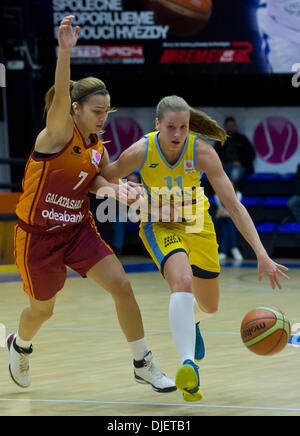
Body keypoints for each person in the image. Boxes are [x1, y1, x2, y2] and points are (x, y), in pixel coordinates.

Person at [6, 15, 176, 394]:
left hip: (77, 229)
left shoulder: (97, 148)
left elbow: (93, 180)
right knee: (42, 311)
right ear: (77, 109)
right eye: (97, 111)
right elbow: (61, 96)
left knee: (121, 285)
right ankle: (20, 345)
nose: (103, 118)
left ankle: (141, 362)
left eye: (107, 112)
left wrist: (117, 191)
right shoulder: (57, 133)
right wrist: (64, 51)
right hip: (37, 238)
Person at [99, 95, 289, 402]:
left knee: (210, 306)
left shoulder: (202, 152)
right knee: (182, 281)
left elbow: (234, 206)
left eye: (183, 127)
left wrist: (261, 254)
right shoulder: (140, 151)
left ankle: (195, 321)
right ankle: (189, 366)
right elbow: (101, 182)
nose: (176, 134)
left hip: (198, 223)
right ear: (157, 124)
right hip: (159, 224)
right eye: (170, 127)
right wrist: (125, 191)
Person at [214, 117, 256, 186]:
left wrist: (241, 162)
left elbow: (251, 154)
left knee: (235, 174)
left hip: (238, 165)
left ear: (235, 126)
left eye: (232, 126)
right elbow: (213, 154)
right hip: (224, 165)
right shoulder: (220, 140)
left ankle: (233, 194)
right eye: (228, 126)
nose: (230, 128)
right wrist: (219, 161)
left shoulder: (242, 139)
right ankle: (220, 194)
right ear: (225, 127)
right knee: (218, 175)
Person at [214, 182, 244, 261]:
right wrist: (221, 213)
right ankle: (234, 248)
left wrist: (226, 214)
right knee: (226, 223)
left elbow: (235, 210)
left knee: (228, 224)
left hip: (232, 218)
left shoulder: (238, 194)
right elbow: (219, 211)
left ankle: (223, 252)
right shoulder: (217, 195)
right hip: (220, 219)